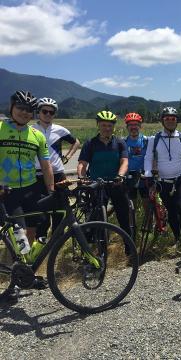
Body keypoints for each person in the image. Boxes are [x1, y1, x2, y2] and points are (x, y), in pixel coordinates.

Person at [0, 90, 54, 295]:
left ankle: (22, 271)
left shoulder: (36, 135)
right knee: (18, 234)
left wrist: (51, 191)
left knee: (37, 226)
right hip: (6, 190)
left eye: (29, 110)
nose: (24, 113)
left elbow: (46, 166)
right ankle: (13, 279)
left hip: (31, 188)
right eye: (21, 108)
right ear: (12, 108)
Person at [144, 107, 181, 247]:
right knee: (171, 211)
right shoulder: (154, 139)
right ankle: (178, 238)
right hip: (163, 181)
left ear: (177, 121)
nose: (170, 121)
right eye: (167, 118)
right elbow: (148, 158)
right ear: (162, 121)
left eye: (173, 118)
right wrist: (148, 174)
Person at [77, 110, 131, 237]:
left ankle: (129, 245)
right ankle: (95, 241)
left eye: (110, 126)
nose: (107, 128)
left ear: (113, 127)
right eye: (103, 125)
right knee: (96, 217)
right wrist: (82, 177)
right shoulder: (90, 143)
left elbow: (124, 162)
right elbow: (82, 164)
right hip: (97, 184)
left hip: (116, 183)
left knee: (124, 216)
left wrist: (120, 176)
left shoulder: (119, 143)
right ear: (98, 125)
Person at [33, 97, 80, 238]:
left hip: (58, 173)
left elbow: (76, 142)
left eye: (51, 112)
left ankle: (57, 238)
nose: (48, 114)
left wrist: (67, 157)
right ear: (38, 112)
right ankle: (40, 239)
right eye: (44, 111)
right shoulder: (31, 130)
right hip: (37, 175)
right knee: (41, 210)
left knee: (60, 208)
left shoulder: (60, 130)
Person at [123, 112, 149, 211]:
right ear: (127, 127)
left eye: (136, 125)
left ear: (140, 126)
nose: (133, 127)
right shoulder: (123, 142)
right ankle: (132, 225)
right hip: (129, 177)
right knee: (131, 206)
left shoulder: (146, 141)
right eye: (130, 125)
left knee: (147, 205)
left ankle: (149, 224)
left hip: (144, 177)